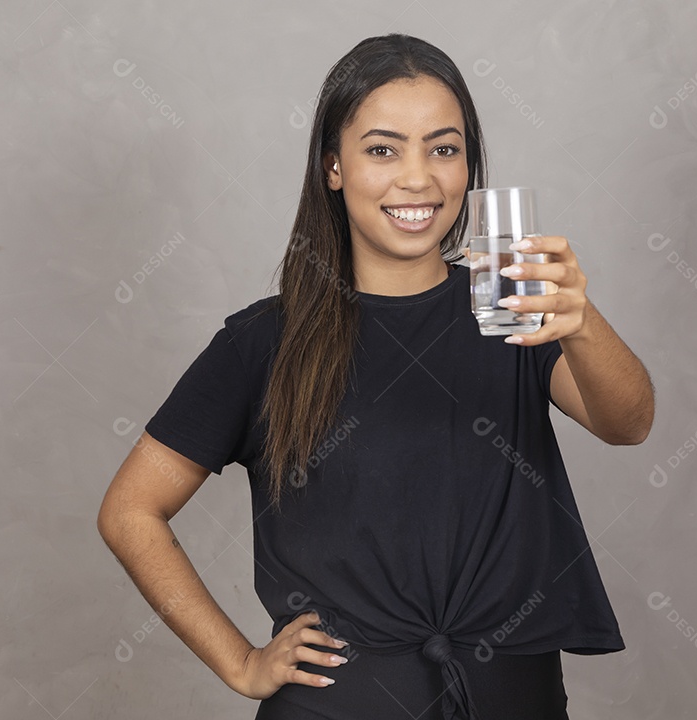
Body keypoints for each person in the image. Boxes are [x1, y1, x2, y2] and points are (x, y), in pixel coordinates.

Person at [98, 33, 654, 720]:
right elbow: (130, 511)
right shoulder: (263, 342)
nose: (418, 179)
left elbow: (628, 424)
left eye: (443, 149)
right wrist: (240, 661)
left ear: (469, 165)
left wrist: (581, 319)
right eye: (383, 150)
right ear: (333, 167)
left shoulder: (511, 309)